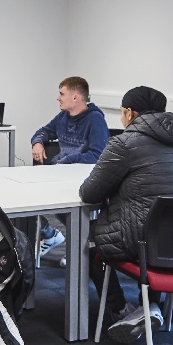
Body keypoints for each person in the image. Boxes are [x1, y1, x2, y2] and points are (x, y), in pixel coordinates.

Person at [77, 86, 173, 343]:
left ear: (129, 113)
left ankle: (120, 310)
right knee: (148, 225)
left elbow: (89, 193)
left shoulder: (124, 143)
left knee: (92, 246)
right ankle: (153, 305)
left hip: (148, 244)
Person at [28, 76, 108, 263]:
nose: (58, 97)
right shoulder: (63, 117)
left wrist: (67, 160)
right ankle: (51, 234)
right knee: (30, 199)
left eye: (62, 93)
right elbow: (43, 131)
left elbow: (97, 156)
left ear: (75, 97)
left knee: (66, 211)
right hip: (60, 175)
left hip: (83, 179)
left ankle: (79, 249)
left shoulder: (95, 120)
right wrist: (38, 142)